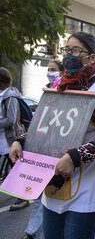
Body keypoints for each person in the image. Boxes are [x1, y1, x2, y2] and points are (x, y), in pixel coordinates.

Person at [9, 31, 95, 239]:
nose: (69, 55)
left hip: (89, 179)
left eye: (76, 51)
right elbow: (44, 128)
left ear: (92, 57)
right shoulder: (57, 87)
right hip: (53, 178)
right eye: (67, 50)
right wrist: (20, 142)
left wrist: (75, 157)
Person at [21, 61, 65, 239]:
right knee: (44, 197)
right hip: (44, 150)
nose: (49, 73)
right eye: (48, 70)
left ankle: (32, 233)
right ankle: (33, 233)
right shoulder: (47, 91)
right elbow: (40, 122)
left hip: (61, 152)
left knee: (49, 198)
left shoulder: (70, 92)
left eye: (53, 70)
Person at [0, 67, 29, 211]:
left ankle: (23, 198)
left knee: (16, 168)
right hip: (1, 140)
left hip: (9, 140)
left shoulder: (9, 96)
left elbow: (10, 120)